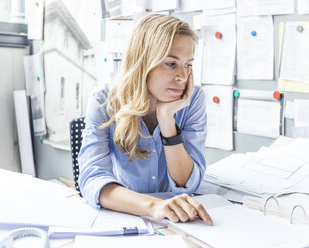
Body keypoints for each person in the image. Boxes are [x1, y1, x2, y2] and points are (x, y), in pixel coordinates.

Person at [78, 13, 212, 226]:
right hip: (125, 216)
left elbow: (188, 184)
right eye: (171, 63)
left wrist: (167, 120)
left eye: (188, 65)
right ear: (143, 62)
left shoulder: (192, 99)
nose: (182, 77)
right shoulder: (104, 100)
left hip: (178, 222)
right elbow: (93, 181)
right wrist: (154, 206)